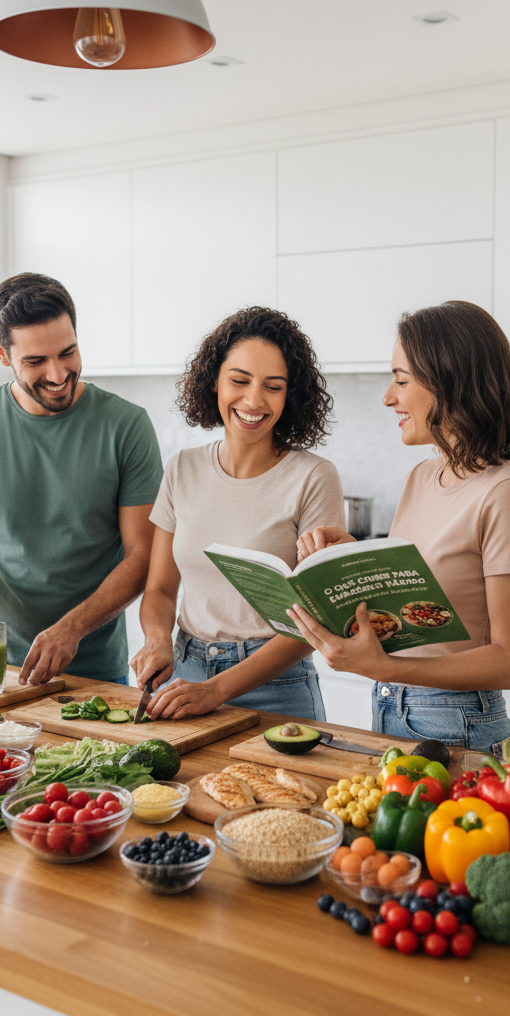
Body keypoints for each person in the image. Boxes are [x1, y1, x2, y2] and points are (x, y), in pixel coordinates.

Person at [288, 300, 510, 751]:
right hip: (392, 707)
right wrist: (348, 558)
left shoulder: (508, 493)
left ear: (450, 383)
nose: (389, 397)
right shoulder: (423, 476)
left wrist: (385, 668)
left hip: (458, 723)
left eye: (401, 380)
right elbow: (417, 597)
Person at [0, 272, 163, 685]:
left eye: (68, 352)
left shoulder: (126, 426)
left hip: (93, 671)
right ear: (2, 353)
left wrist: (72, 629)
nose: (58, 373)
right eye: (35, 361)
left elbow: (143, 556)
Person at [131, 306, 345, 721]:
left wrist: (217, 690)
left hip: (278, 687)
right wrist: (158, 639)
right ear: (215, 382)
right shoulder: (182, 468)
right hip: (186, 673)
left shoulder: (314, 477)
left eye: (273, 386)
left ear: (290, 395)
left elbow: (317, 620)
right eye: (239, 381)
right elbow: (159, 588)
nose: (253, 400)